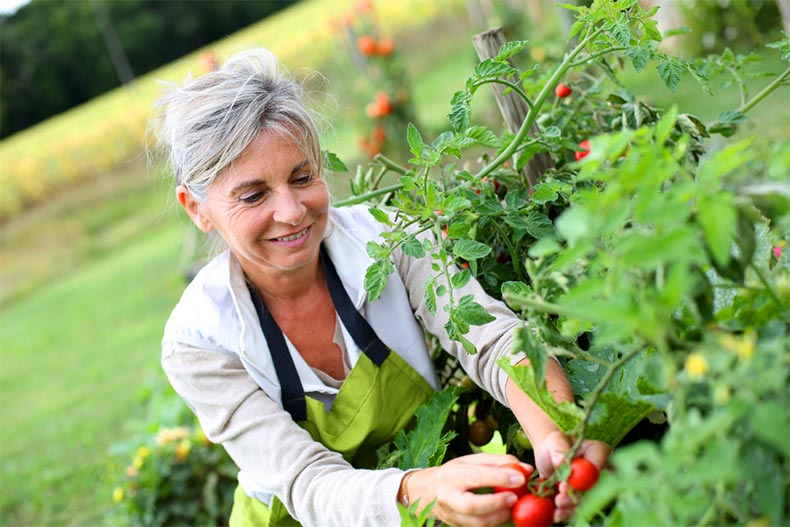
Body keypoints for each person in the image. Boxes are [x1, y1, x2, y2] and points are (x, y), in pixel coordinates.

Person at [154, 48, 609, 527]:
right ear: (197, 209)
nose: (291, 211)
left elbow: (493, 342)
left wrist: (555, 429)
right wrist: (422, 489)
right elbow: (307, 482)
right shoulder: (198, 342)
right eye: (253, 195)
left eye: (303, 176)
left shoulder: (391, 240)